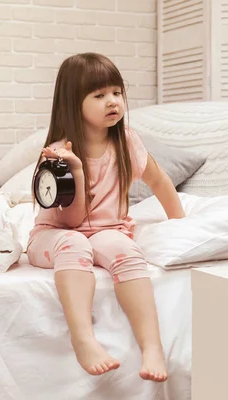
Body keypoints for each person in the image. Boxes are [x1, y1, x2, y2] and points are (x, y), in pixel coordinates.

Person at [27, 52, 185, 383]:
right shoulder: (59, 153)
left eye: (116, 92)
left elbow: (159, 182)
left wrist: (180, 226)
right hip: (54, 234)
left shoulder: (127, 142)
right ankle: (83, 339)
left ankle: (151, 345)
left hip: (105, 229)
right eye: (99, 96)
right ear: (74, 102)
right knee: (73, 244)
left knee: (127, 251)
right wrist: (78, 170)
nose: (112, 101)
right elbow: (71, 222)